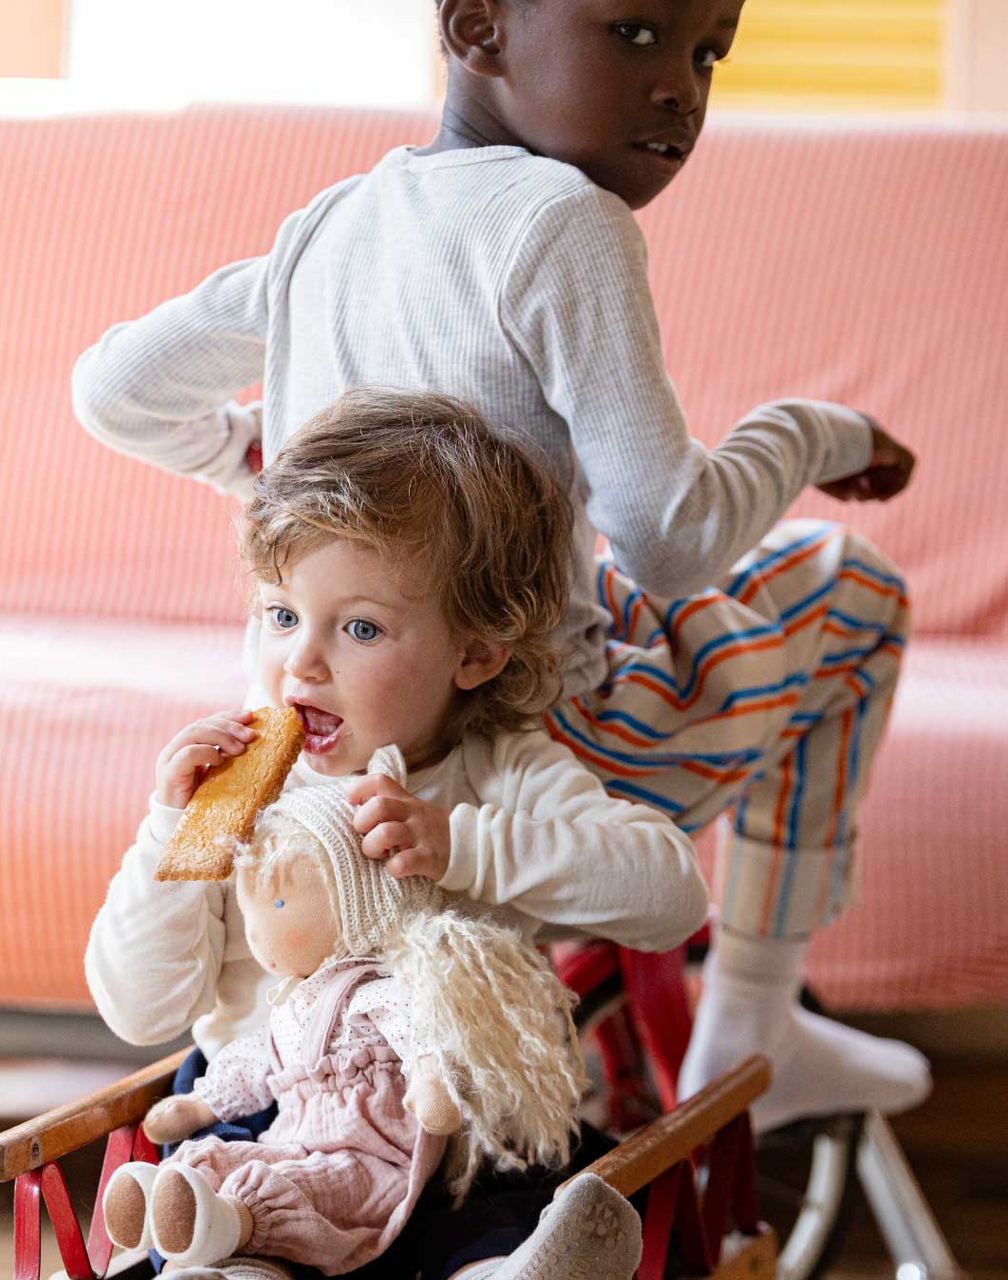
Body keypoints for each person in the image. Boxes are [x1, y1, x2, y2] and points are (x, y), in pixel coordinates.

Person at [73, 0, 931, 1141]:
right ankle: (756, 1010)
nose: (679, 86)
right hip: (535, 717)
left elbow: (117, 391)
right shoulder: (564, 219)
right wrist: (817, 433)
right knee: (845, 586)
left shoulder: (333, 224)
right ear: (477, 28)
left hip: (325, 715)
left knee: (658, 596)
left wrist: (275, 474)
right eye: (634, 33)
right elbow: (667, 539)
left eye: (707, 52)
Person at [86, 393, 707, 1278]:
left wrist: (465, 848)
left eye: (361, 628)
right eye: (281, 614)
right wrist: (169, 837)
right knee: (227, 1237)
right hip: (265, 1125)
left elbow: (671, 895)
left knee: (524, 1221)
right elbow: (139, 1010)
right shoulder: (236, 785)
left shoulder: (501, 770)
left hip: (456, 1145)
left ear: (476, 653)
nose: (301, 663)